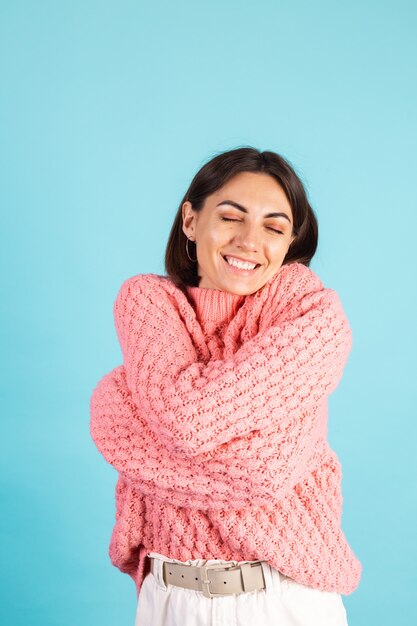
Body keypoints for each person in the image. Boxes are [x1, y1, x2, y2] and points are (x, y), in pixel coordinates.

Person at [89, 146, 362, 626]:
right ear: (191, 222)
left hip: (280, 599)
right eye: (231, 217)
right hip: (167, 600)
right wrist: (183, 427)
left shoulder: (308, 311)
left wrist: (147, 424)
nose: (249, 241)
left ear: (289, 243)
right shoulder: (149, 301)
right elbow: (122, 418)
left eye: (274, 227)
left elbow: (258, 468)